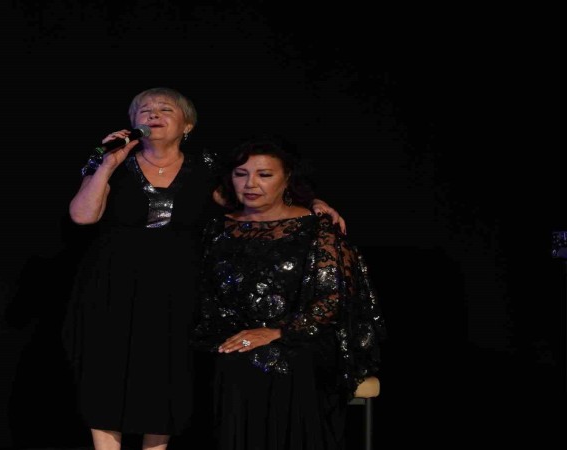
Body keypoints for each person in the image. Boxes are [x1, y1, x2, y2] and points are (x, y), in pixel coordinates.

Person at [62, 87, 346, 450]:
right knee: (106, 372)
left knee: (163, 374)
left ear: (187, 126)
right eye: (144, 110)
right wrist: (107, 164)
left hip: (178, 286)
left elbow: (254, 199)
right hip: (110, 283)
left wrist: (313, 201)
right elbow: (83, 216)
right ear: (132, 123)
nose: (153, 114)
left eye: (165, 109)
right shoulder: (111, 164)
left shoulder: (206, 167)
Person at [191, 137, 386, 450]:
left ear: (287, 179)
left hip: (304, 334)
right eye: (241, 174)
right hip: (227, 331)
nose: (250, 184)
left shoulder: (317, 227)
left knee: (278, 362)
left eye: (265, 175)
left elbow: (333, 298)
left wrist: (277, 332)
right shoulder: (215, 228)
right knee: (229, 359)